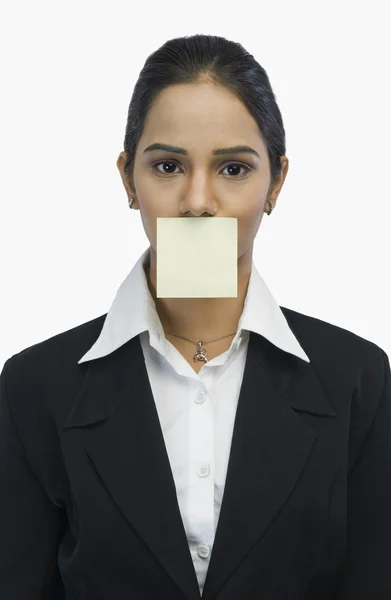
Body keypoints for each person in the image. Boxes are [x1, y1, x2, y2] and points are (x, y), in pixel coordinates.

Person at [0, 33, 390, 600]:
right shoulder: (34, 387)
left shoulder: (358, 380)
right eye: (167, 165)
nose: (199, 201)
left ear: (275, 182)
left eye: (233, 168)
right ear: (128, 178)